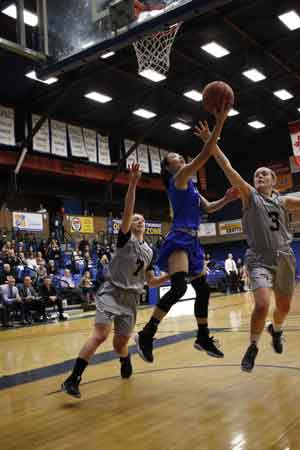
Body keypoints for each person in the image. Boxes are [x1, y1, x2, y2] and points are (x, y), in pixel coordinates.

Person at [135, 103, 237, 364]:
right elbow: (203, 157)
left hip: (193, 240)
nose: (180, 160)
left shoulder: (190, 186)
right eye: (175, 160)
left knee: (202, 290)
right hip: (178, 237)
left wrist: (226, 199)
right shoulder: (178, 179)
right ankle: (147, 334)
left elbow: (210, 207)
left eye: (181, 157)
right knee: (179, 287)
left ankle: (202, 337)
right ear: (169, 168)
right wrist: (218, 125)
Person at [195, 119, 300, 372]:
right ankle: (253, 346)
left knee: (283, 307)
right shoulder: (250, 196)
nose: (259, 176)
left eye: (265, 173)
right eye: (256, 174)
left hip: (285, 257)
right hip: (258, 258)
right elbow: (227, 167)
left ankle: (276, 330)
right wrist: (211, 141)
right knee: (263, 303)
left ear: (274, 180)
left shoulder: (285, 200)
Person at [61, 163, 169, 399]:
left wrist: (174, 275)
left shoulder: (149, 251)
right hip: (111, 292)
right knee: (100, 335)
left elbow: (151, 282)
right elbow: (128, 211)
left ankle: (124, 359)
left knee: (120, 344)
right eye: (135, 219)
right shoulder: (124, 240)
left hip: (131, 300)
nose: (139, 220)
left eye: (142, 219)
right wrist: (132, 182)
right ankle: (73, 379)